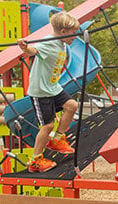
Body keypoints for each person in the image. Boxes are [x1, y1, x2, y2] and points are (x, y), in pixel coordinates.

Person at [17, 12, 80, 173]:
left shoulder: (63, 43)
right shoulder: (48, 42)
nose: (76, 37)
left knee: (72, 105)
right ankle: (35, 160)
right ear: (64, 32)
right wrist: (25, 47)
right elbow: (33, 51)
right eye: (73, 33)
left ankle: (57, 138)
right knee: (47, 125)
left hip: (53, 88)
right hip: (41, 91)